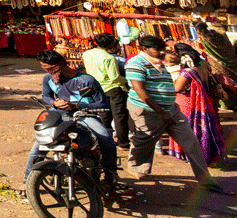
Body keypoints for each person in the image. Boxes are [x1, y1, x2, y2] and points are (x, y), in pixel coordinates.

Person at [125, 35, 215, 190]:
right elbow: (141, 92)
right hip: (147, 111)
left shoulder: (160, 63)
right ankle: (136, 167)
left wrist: (167, 110)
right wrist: (161, 113)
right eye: (157, 49)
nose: (161, 52)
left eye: (162, 49)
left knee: (191, 142)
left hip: (170, 110)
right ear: (144, 49)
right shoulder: (136, 63)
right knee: (145, 141)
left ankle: (205, 180)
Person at [24, 50, 116, 182]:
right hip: (61, 115)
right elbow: (46, 96)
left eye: (52, 68)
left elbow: (102, 104)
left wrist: (76, 106)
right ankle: (27, 180)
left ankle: (110, 175)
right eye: (45, 68)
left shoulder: (86, 80)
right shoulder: (48, 78)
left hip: (84, 115)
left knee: (105, 136)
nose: (50, 73)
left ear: (61, 64)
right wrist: (54, 102)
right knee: (39, 145)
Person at [167, 43, 227, 168]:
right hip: (203, 103)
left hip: (188, 103)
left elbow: (177, 88)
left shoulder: (187, 72)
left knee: (188, 130)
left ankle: (194, 156)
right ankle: (207, 154)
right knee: (203, 128)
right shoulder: (203, 68)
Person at [82, 33, 130, 150]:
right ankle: (123, 143)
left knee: (104, 116)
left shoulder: (87, 54)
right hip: (113, 89)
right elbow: (115, 78)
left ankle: (104, 140)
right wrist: (128, 79)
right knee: (119, 116)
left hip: (97, 88)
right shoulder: (108, 58)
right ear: (110, 45)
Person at [195, 21, 237, 110]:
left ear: (198, 30)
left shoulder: (204, 39)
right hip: (232, 63)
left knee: (223, 83)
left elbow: (203, 53)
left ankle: (229, 102)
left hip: (218, 65)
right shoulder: (219, 35)